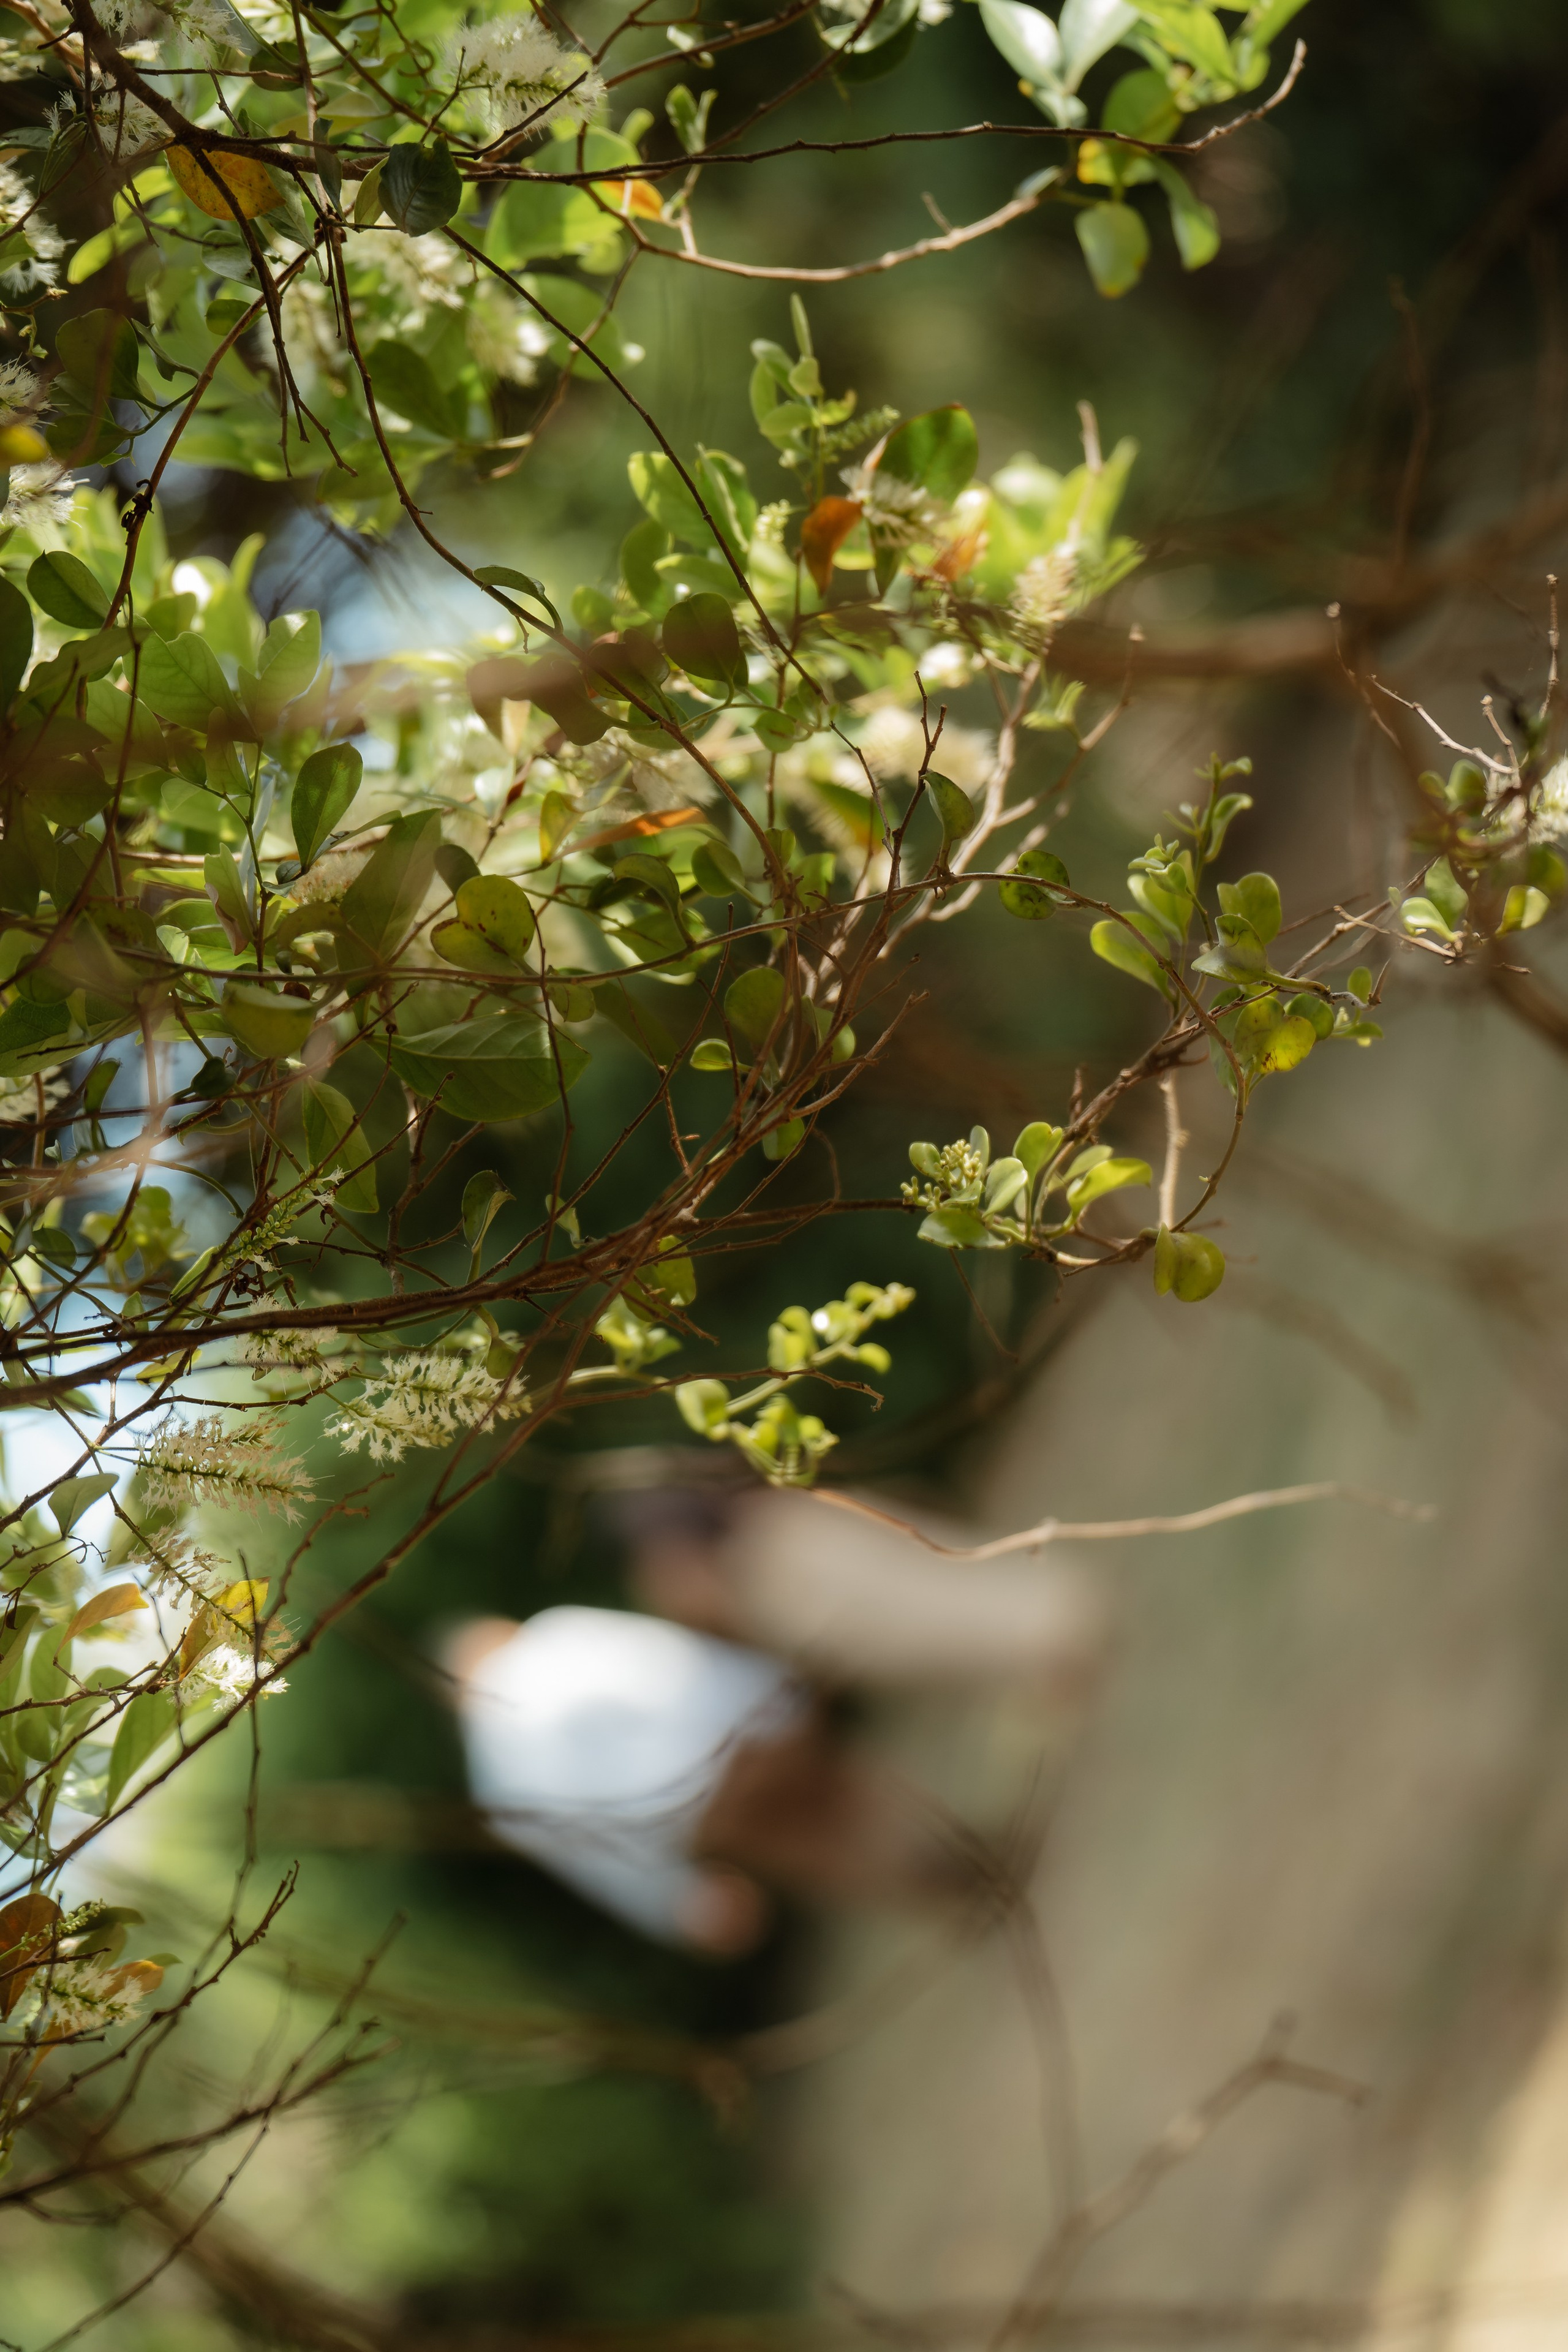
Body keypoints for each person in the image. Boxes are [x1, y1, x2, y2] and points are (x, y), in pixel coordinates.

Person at [445, 1484, 1109, 1954]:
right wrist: (770, 1695)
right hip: (729, 1751)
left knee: (825, 1853)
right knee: (844, 1793)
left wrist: (681, 1903)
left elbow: (589, 1853)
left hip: (694, 1823)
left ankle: (958, 1889)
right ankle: (971, 1851)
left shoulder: (495, 1787)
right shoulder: (550, 1644)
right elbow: (662, 1674)